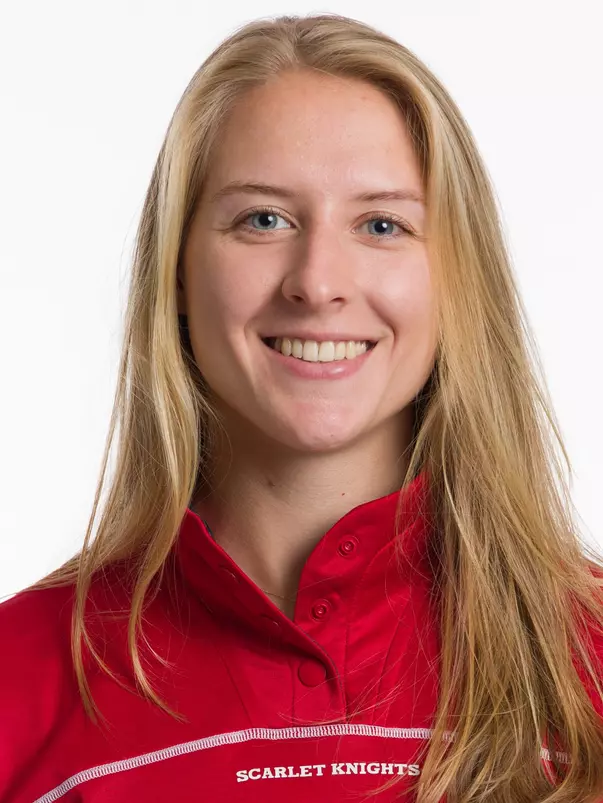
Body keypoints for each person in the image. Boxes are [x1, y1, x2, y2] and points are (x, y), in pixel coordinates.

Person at [1, 12, 603, 803]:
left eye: (381, 224)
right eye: (263, 219)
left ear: (455, 279)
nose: (317, 282)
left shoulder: (586, 662)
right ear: (178, 274)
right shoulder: (20, 676)